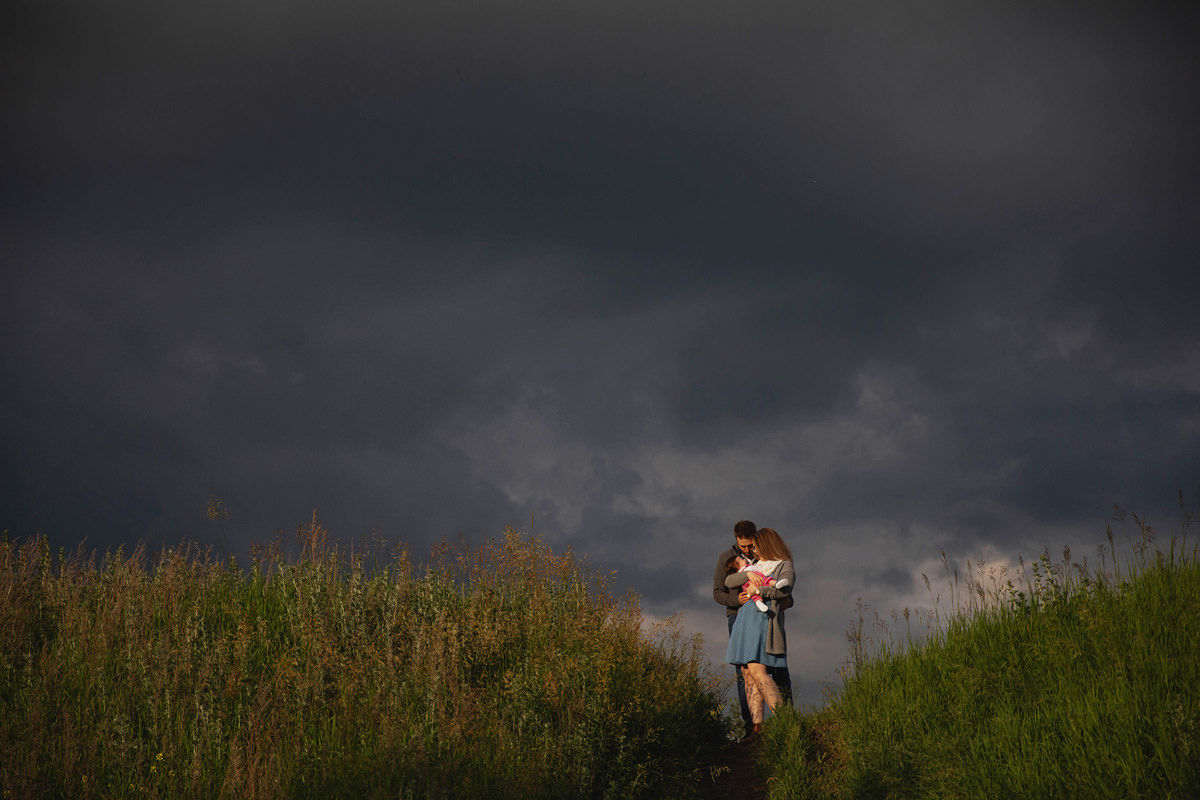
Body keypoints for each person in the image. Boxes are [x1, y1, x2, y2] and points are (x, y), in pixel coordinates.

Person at [713, 521, 793, 741]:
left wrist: (780, 597)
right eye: (744, 545)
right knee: (746, 673)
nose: (748, 550)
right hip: (738, 617)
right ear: (737, 540)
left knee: (770, 671)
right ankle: (753, 728)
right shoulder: (727, 558)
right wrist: (735, 598)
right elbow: (719, 590)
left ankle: (786, 722)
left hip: (762, 617)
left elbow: (783, 589)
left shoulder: (765, 561)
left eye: (752, 545)